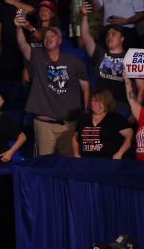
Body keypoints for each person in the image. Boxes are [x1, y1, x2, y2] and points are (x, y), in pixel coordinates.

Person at [15, 13, 89, 157]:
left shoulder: (74, 61)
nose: (48, 39)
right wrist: (18, 28)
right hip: (44, 125)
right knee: (43, 167)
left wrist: (85, 111)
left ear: (60, 40)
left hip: (69, 124)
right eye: (46, 37)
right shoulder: (37, 57)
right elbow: (23, 46)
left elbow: (85, 87)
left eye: (52, 36)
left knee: (68, 167)